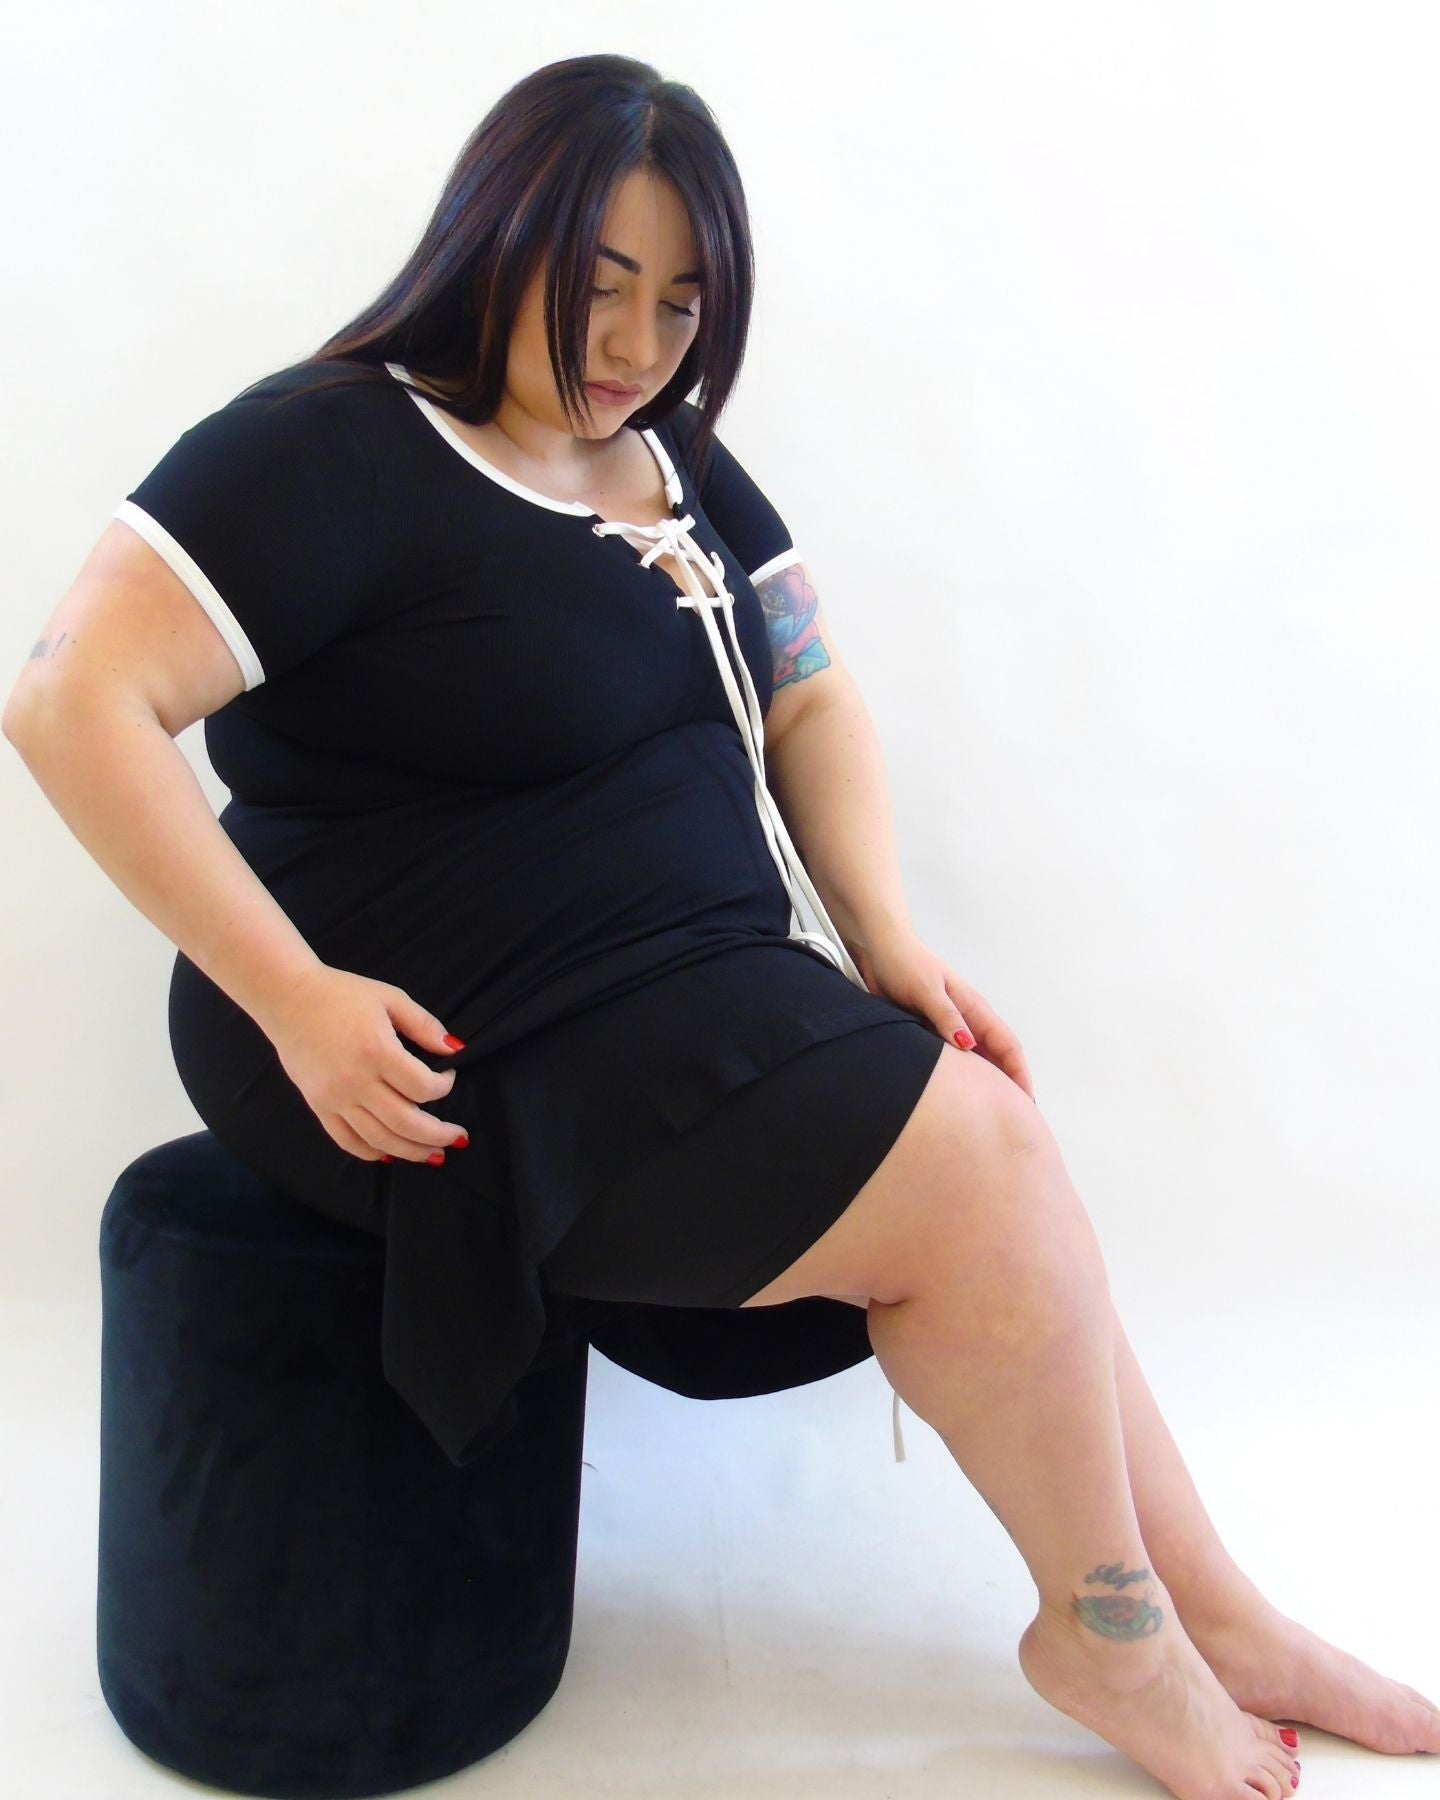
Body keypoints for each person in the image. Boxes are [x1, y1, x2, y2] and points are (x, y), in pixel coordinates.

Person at [6, 50, 1435, 1800]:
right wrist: (293, 996)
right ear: (492, 233)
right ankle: (1112, 1632)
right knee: (982, 1168)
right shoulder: (332, 445)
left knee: (991, 1130)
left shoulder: (672, 463)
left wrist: (882, 934)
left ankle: (1213, 1611)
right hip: (437, 1032)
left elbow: (809, 690)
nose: (635, 342)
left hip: (668, 987)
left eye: (680, 303)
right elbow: (68, 700)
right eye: (598, 283)